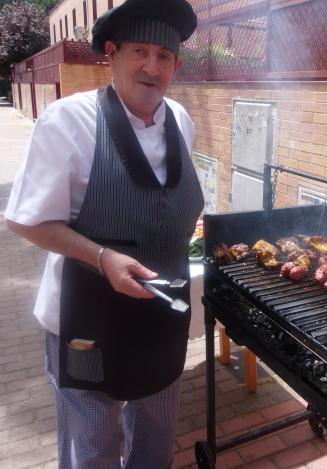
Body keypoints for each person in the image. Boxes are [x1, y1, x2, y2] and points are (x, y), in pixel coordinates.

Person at [5, 0, 204, 467]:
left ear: (177, 64)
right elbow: (25, 219)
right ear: (110, 53)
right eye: (139, 51)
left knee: (157, 429)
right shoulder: (68, 121)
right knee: (92, 441)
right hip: (86, 317)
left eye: (163, 55)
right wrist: (101, 257)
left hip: (161, 311)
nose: (151, 66)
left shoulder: (181, 119)